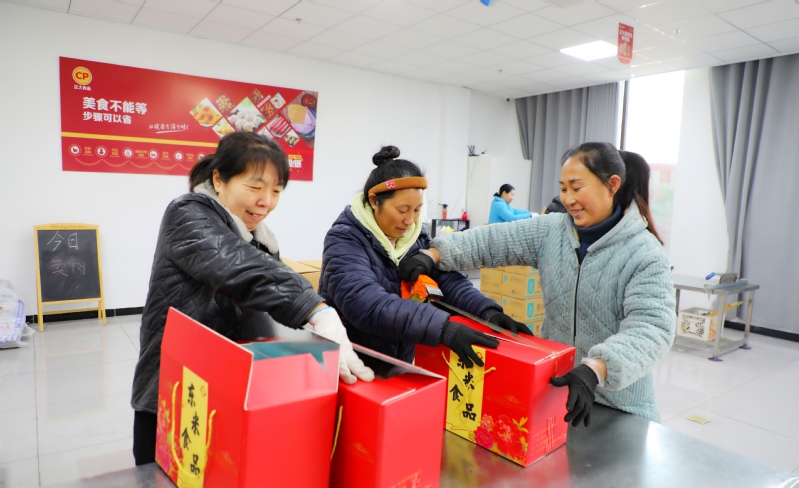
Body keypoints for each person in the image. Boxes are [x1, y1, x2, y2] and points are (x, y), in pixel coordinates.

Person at [131, 132, 373, 466]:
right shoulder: (187, 214)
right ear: (219, 180)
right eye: (255, 187)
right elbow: (238, 267)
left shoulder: (260, 237)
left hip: (227, 387)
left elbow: (265, 297)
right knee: (167, 487)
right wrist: (317, 310)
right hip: (177, 387)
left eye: (276, 191)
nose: (266, 202)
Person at [399, 142, 676, 426]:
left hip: (620, 408)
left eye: (577, 187)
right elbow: (493, 241)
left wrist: (596, 369)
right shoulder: (553, 230)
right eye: (563, 188)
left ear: (612, 185)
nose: (568, 199)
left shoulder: (644, 252)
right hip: (556, 391)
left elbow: (652, 329)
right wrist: (433, 254)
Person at [319, 146, 532, 371]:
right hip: (350, 360)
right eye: (402, 210)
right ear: (374, 201)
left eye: (417, 210)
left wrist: (485, 312)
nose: (410, 220)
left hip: (396, 361)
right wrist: (442, 327)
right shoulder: (345, 239)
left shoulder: (414, 236)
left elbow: (445, 280)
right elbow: (366, 303)